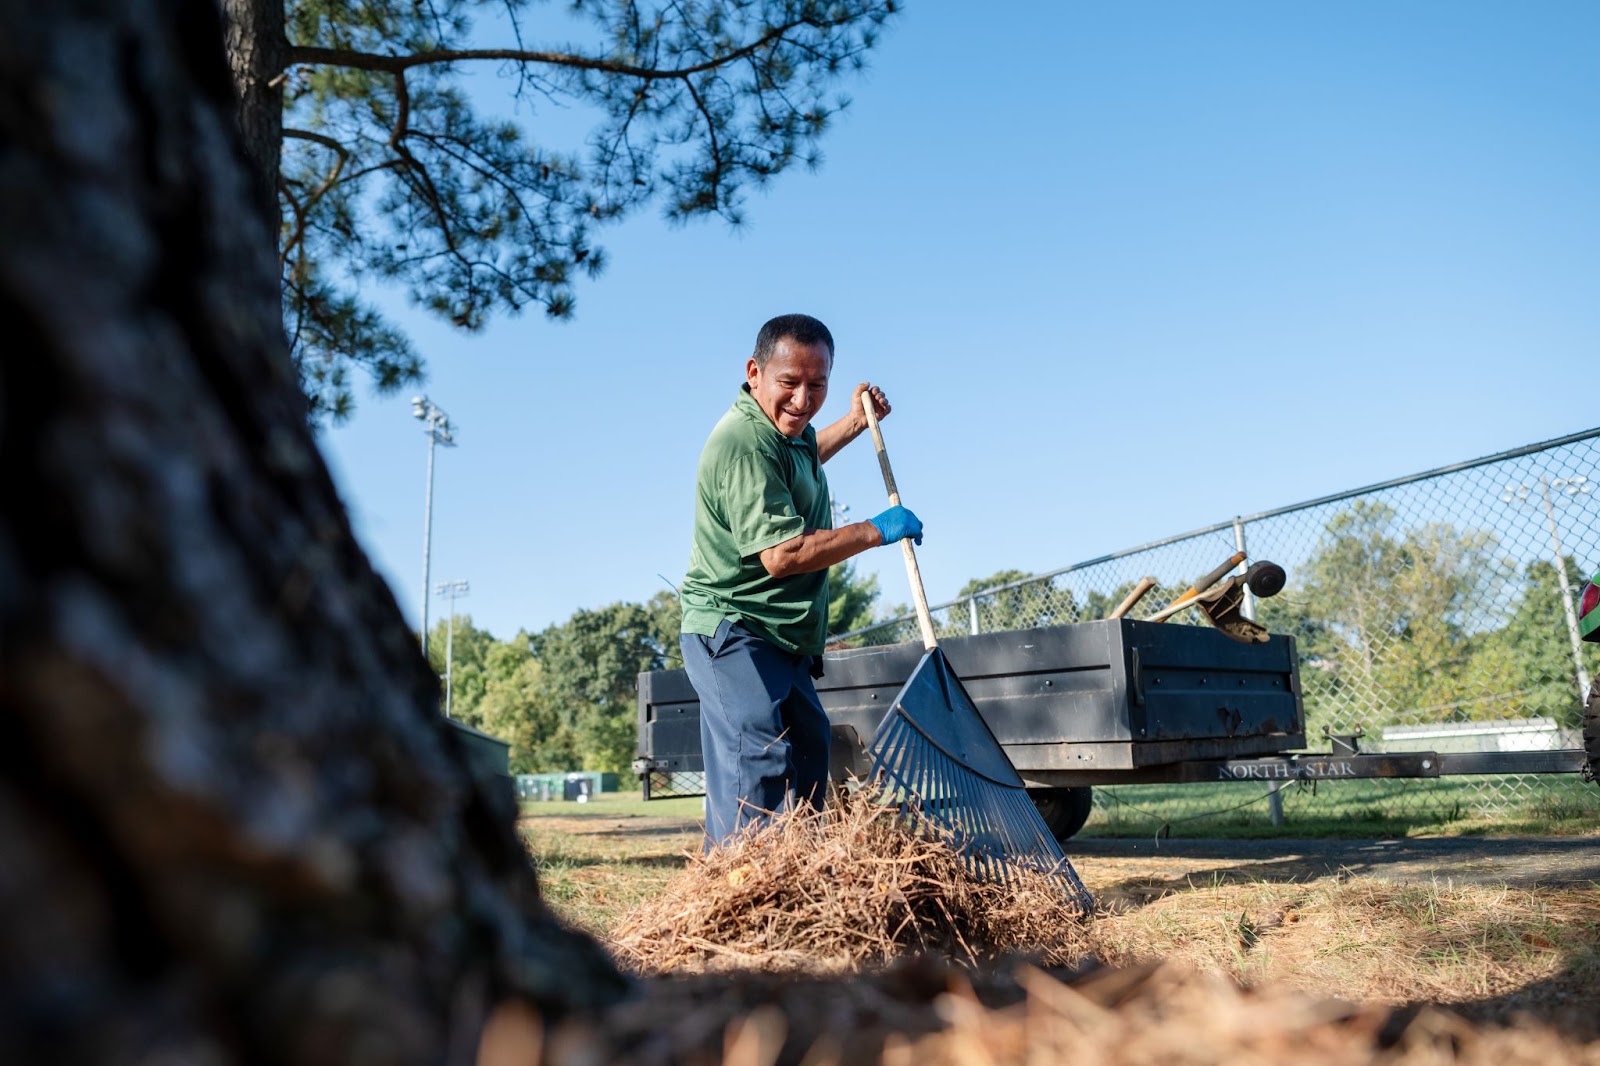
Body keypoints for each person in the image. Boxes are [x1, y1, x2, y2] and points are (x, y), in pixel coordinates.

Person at [678, 313, 924, 847]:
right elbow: (783, 555)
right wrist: (873, 531)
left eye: (818, 385)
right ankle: (743, 897)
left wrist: (856, 423)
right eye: (789, 383)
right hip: (734, 630)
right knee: (759, 765)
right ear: (754, 372)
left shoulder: (781, 432)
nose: (802, 400)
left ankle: (803, 892)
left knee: (810, 756)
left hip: (781, 635)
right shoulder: (744, 444)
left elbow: (804, 451)